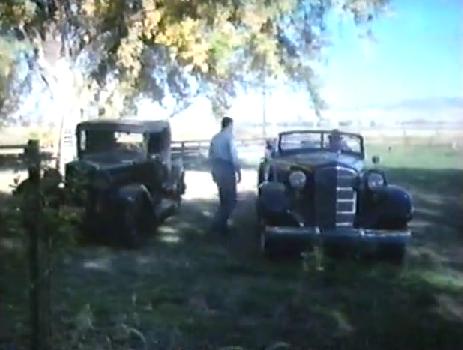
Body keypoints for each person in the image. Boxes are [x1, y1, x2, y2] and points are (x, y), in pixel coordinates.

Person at [208, 117, 241, 235]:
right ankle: (219, 225)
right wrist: (238, 171)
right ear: (229, 125)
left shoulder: (215, 138)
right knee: (231, 199)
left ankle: (221, 225)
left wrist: (212, 171)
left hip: (217, 167)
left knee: (223, 199)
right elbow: (233, 155)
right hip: (226, 168)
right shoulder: (229, 138)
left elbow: (210, 156)